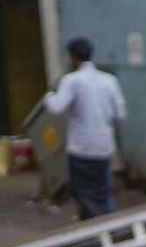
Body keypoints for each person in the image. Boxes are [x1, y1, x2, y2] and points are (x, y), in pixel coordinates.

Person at [44, 37, 127, 220]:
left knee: (84, 193)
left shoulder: (72, 81)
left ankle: (95, 229)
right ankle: (109, 226)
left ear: (73, 58)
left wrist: (49, 97)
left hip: (81, 149)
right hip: (104, 147)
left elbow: (57, 107)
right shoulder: (110, 80)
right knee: (102, 191)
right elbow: (120, 114)